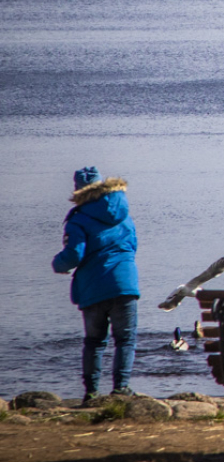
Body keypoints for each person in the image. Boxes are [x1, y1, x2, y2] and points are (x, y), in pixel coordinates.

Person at [52, 166, 141, 401]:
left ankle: (91, 393)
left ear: (78, 190)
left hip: (93, 288)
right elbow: (133, 245)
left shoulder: (78, 219)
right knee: (125, 339)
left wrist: (58, 264)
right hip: (124, 284)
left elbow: (74, 255)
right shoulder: (124, 214)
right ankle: (121, 389)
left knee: (94, 342)